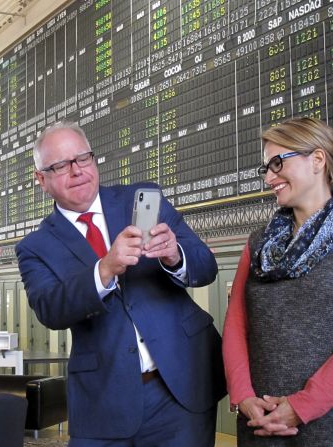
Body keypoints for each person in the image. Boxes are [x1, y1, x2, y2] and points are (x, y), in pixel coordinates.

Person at [16, 121, 225, 446]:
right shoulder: (35, 246)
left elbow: (206, 266)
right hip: (104, 400)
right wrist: (104, 270)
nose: (77, 171)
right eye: (60, 166)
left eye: (82, 158)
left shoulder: (142, 199)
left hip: (182, 386)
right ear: (41, 179)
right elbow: (50, 309)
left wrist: (174, 255)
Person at [222, 117, 333, 446]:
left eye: (277, 163)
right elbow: (235, 325)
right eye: (266, 168)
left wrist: (301, 406)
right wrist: (242, 396)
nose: (270, 177)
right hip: (259, 422)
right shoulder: (257, 244)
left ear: (317, 160)